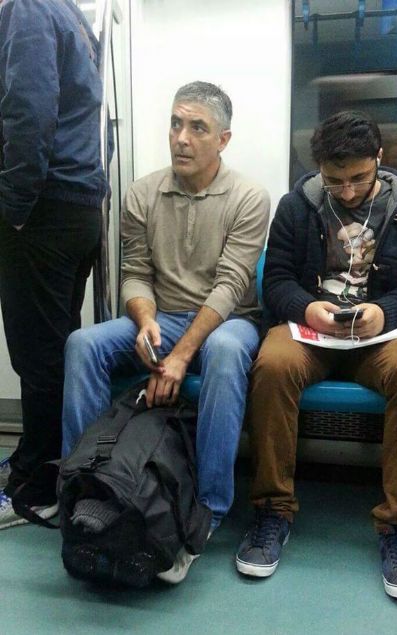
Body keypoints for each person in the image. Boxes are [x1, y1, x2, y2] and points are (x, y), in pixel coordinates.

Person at [61, 81, 270, 583]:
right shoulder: (143, 193)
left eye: (197, 127)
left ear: (223, 139)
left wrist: (178, 357)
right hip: (165, 315)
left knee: (224, 352)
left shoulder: (249, 197)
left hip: (229, 320)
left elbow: (230, 285)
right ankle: (85, 485)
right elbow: (135, 273)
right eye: (176, 123)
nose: (181, 137)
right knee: (83, 343)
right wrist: (146, 319)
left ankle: (208, 510)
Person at [236, 111, 397, 603]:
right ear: (318, 169)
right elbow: (277, 279)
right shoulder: (296, 206)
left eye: (359, 177)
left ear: (379, 159)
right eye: (335, 181)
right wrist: (306, 308)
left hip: (381, 336)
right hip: (311, 333)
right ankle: (272, 508)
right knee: (272, 366)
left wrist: (384, 312)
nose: (348, 191)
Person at [0, 0, 108, 528]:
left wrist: (14, 207)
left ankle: (36, 488)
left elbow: (29, 111)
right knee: (56, 349)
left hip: (43, 209)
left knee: (37, 355)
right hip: (78, 207)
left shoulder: (28, 8)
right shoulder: (70, 14)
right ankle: (45, 462)